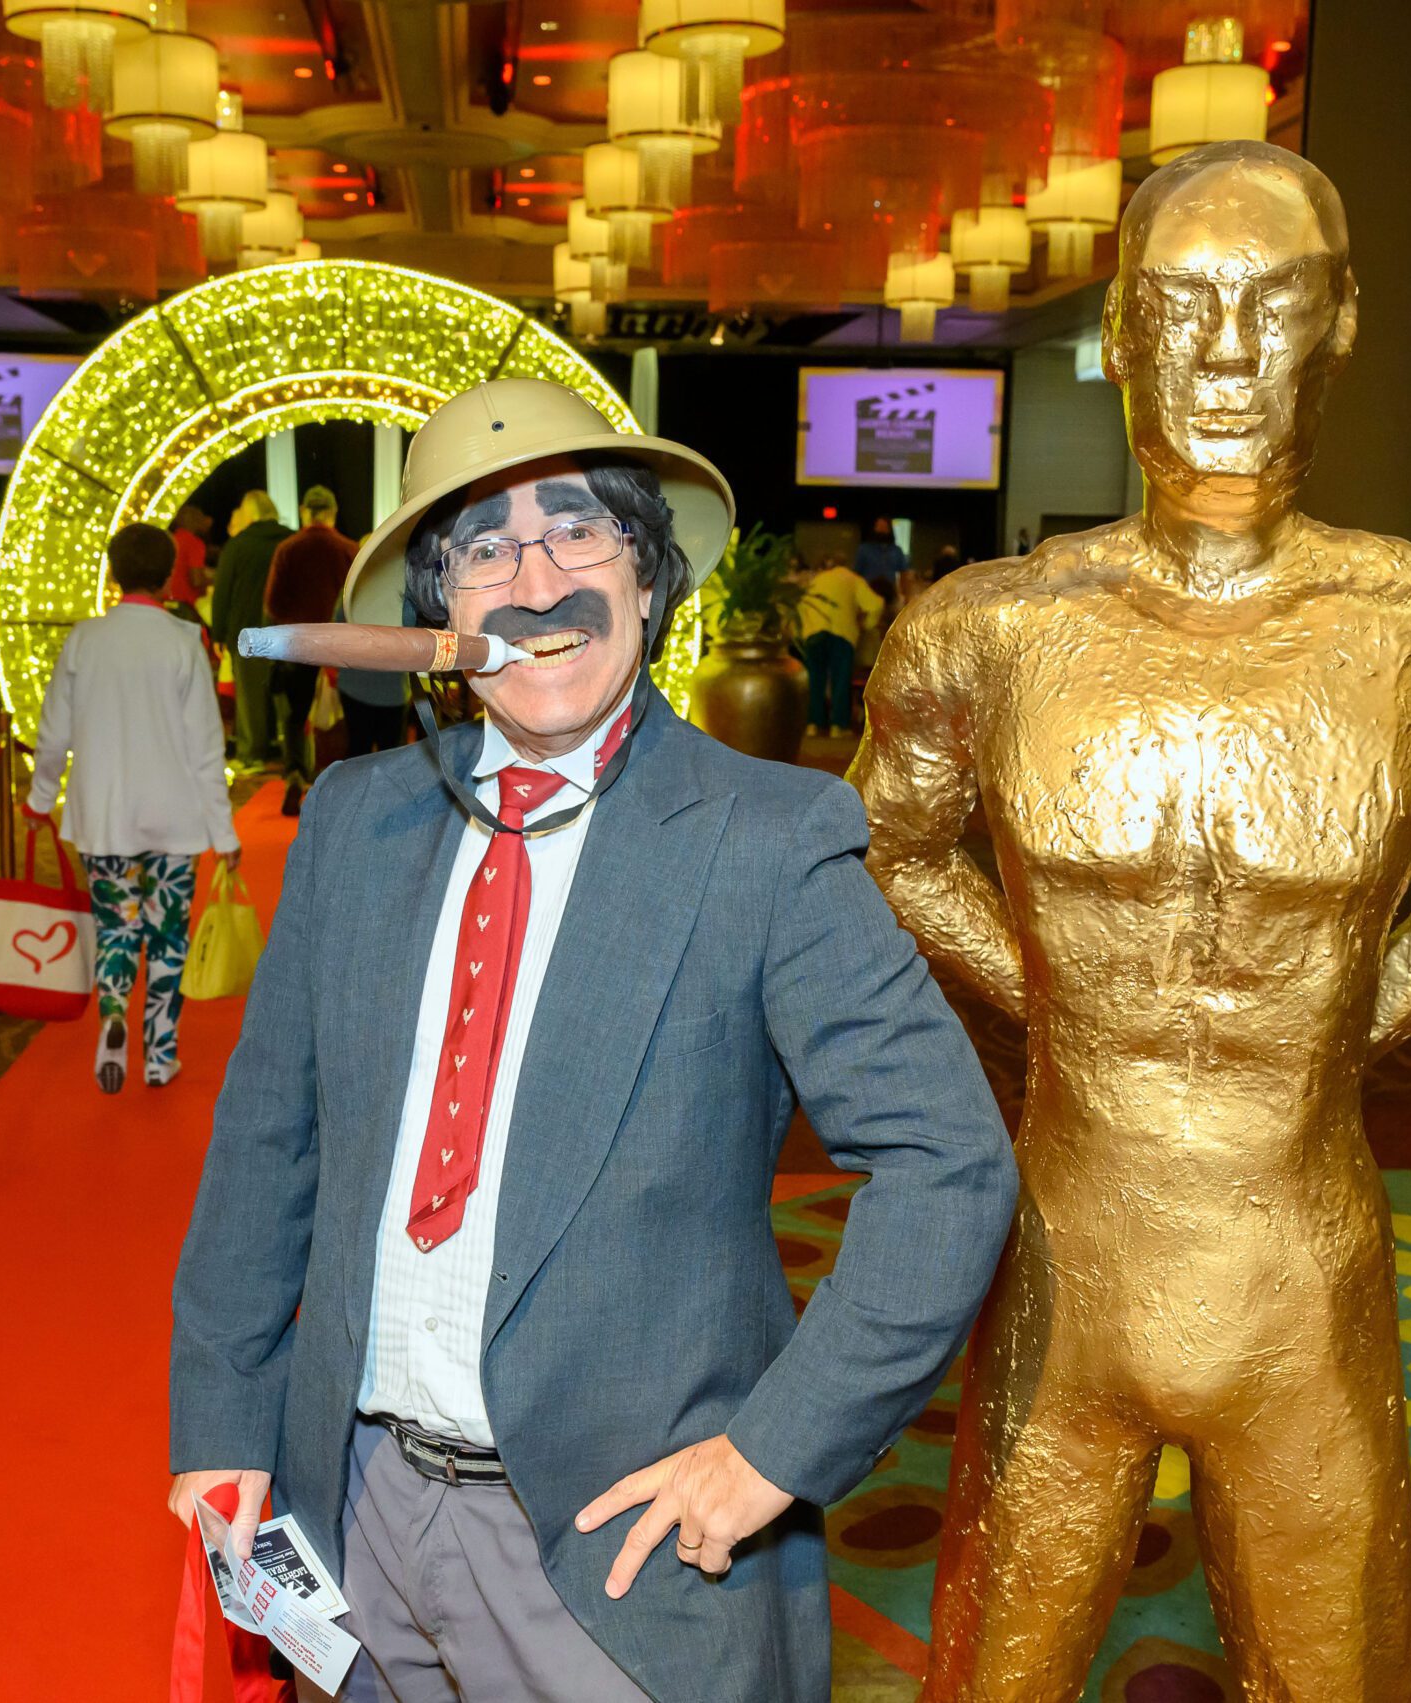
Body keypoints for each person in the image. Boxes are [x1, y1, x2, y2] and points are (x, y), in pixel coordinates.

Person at [856, 142, 1411, 1703]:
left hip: (1298, 1273)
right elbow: (894, 845)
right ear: (1116, 332)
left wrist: (1335, 1028)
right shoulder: (985, 633)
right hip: (1068, 1258)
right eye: (1181, 306)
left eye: (1276, 303)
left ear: (1343, 322)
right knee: (995, 1669)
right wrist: (1060, 1004)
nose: (1229, 356)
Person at [166, 378, 1017, 1703]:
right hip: (357, 1507)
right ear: (438, 609)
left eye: (579, 530)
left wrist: (771, 1453)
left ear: (646, 569)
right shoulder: (351, 821)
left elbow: (949, 1164)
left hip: (618, 1559)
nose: (537, 579)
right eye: (485, 549)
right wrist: (221, 1427)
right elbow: (266, 1151)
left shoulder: (766, 836)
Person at [29, 523, 240, 1094]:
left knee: (116, 928)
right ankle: (159, 1054)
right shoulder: (181, 641)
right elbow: (205, 746)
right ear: (170, 573)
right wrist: (224, 832)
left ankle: (114, 1015)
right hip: (177, 816)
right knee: (169, 937)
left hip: (104, 815)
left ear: (114, 569)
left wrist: (40, 798)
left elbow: (54, 735)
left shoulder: (85, 640)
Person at [262, 484, 357, 814]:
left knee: (295, 716)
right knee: (341, 719)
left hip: (298, 644)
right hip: (338, 648)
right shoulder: (349, 549)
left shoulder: (288, 549)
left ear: (305, 511)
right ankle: (338, 784)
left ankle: (294, 774)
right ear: (332, 512)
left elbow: (273, 603)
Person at [208, 489, 291, 769]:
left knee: (250, 698)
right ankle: (291, 754)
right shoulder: (290, 539)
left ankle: (252, 754)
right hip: (288, 631)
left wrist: (218, 634)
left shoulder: (238, 545)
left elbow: (223, 593)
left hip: (247, 632)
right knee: (286, 695)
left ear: (251, 512)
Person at [794, 552, 881, 737]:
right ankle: (838, 726)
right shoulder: (853, 579)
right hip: (842, 633)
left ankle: (813, 724)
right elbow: (875, 605)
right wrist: (867, 624)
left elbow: (801, 606)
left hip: (813, 632)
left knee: (815, 679)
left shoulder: (816, 580)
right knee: (840, 680)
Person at [331, 598, 408, 755]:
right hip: (393, 690)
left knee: (358, 751)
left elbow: (336, 630)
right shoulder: (405, 591)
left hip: (355, 685)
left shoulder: (355, 585)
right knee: (391, 758)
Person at [852, 516, 906, 604]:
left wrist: (904, 594)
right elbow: (856, 573)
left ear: (889, 530)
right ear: (874, 529)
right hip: (868, 593)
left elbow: (904, 573)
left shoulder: (896, 550)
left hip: (890, 596)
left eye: (884, 527)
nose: (881, 530)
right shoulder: (864, 549)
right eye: (879, 527)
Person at [166, 503, 212, 604]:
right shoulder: (194, 543)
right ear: (195, 522)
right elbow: (196, 581)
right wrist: (217, 580)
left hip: (165, 601)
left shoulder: (170, 539)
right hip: (185, 604)